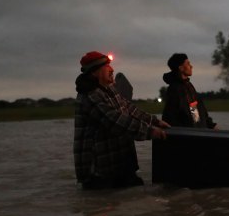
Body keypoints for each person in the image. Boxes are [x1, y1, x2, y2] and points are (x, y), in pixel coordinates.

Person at [74, 51, 169, 189]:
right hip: (100, 173)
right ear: (94, 72)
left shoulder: (109, 88)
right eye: (106, 67)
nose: (112, 69)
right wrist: (150, 131)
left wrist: (155, 121)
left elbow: (128, 108)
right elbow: (116, 121)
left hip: (119, 166)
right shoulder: (90, 96)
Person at [162, 53, 217, 129]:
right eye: (188, 63)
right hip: (186, 136)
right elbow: (170, 117)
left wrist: (211, 125)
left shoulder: (188, 86)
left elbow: (194, 112)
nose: (191, 66)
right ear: (181, 68)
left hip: (195, 133)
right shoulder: (175, 89)